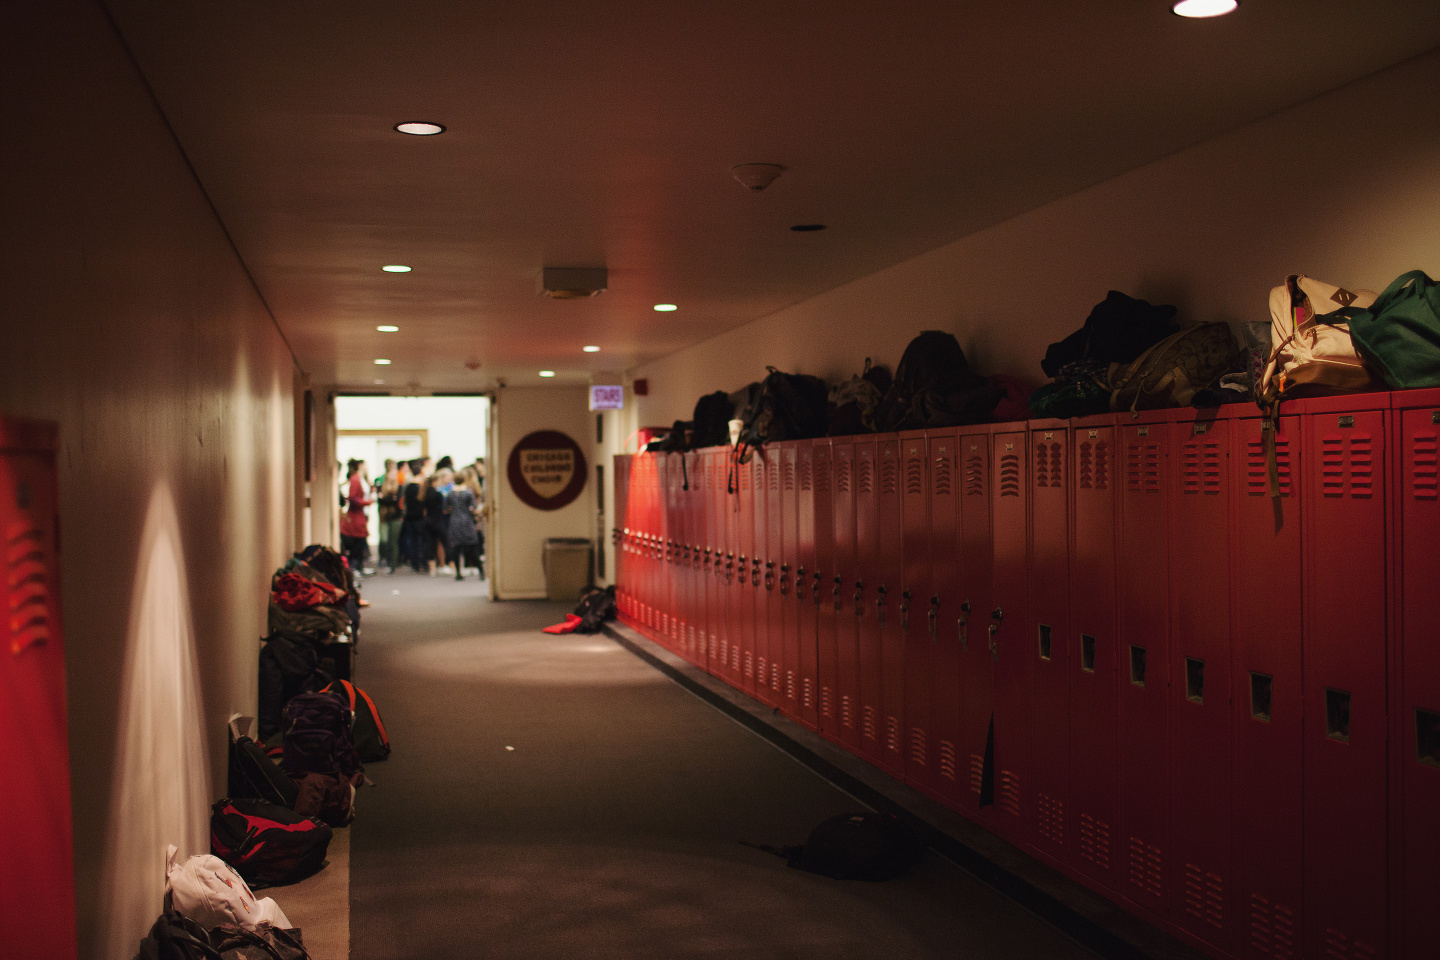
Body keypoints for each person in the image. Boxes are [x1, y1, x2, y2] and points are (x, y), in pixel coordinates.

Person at [339, 459, 373, 575]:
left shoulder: (362, 479)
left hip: (360, 514)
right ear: (360, 466)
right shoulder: (355, 479)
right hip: (355, 515)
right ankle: (354, 567)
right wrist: (366, 502)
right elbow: (352, 498)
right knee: (357, 542)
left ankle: (358, 566)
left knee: (360, 541)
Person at [447, 467, 480, 580]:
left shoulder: (450, 493)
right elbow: (474, 508)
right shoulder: (468, 493)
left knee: (456, 548)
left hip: (455, 521)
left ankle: (458, 573)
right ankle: (481, 571)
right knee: (472, 547)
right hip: (467, 521)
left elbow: (446, 508)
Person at [399, 458, 430, 573]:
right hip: (419, 517)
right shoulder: (420, 488)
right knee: (421, 540)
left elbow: (405, 501)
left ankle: (414, 562)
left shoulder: (408, 487)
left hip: (410, 516)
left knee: (413, 540)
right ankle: (422, 562)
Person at [375, 459, 402, 573]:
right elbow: (380, 500)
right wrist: (388, 499)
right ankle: (385, 558)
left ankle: (393, 565)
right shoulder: (381, 484)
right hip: (384, 516)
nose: (393, 476)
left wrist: (385, 499)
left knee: (394, 542)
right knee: (384, 540)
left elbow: (396, 502)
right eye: (391, 474)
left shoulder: (399, 487)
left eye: (395, 474)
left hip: (395, 516)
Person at [424, 468, 452, 575]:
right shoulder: (437, 493)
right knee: (445, 542)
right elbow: (444, 507)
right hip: (438, 520)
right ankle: (451, 565)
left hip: (429, 520)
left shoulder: (425, 493)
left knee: (430, 544)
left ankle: (432, 568)